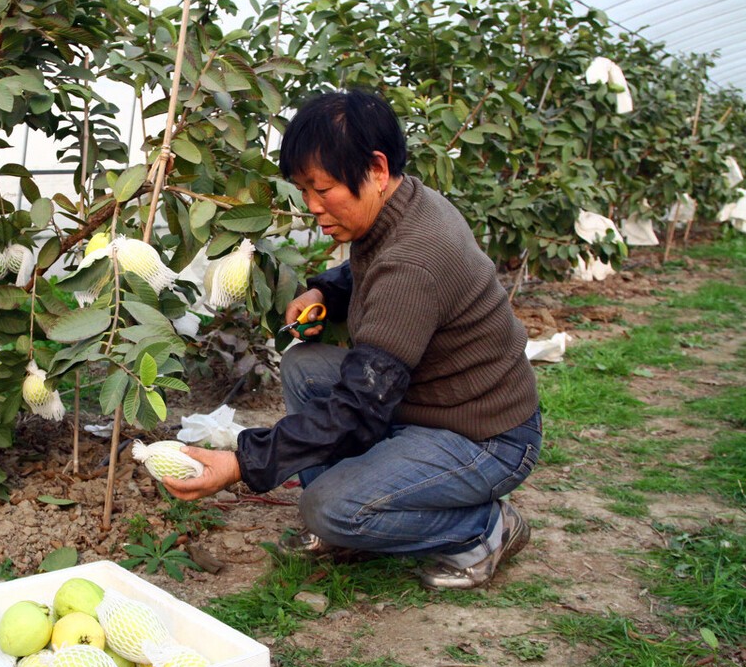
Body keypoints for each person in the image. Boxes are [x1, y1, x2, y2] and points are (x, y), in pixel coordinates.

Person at [162, 89, 542, 590]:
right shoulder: (405, 205)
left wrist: (241, 463)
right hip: (427, 401)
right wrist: (324, 290)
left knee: (328, 508)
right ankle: (355, 521)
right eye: (304, 190)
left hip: (484, 436)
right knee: (303, 366)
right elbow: (368, 274)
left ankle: (484, 528)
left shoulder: (414, 260)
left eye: (323, 188)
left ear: (377, 169)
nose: (313, 206)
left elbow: (359, 408)